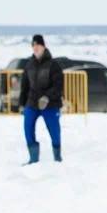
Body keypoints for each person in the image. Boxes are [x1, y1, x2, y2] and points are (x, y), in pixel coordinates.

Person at [20, 33, 64, 164]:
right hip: (32, 103)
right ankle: (33, 159)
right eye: (33, 45)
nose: (35, 48)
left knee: (55, 132)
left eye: (38, 45)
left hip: (50, 104)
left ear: (44, 46)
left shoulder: (53, 65)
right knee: (28, 129)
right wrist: (22, 104)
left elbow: (58, 86)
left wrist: (47, 97)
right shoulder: (29, 65)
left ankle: (57, 157)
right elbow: (25, 86)